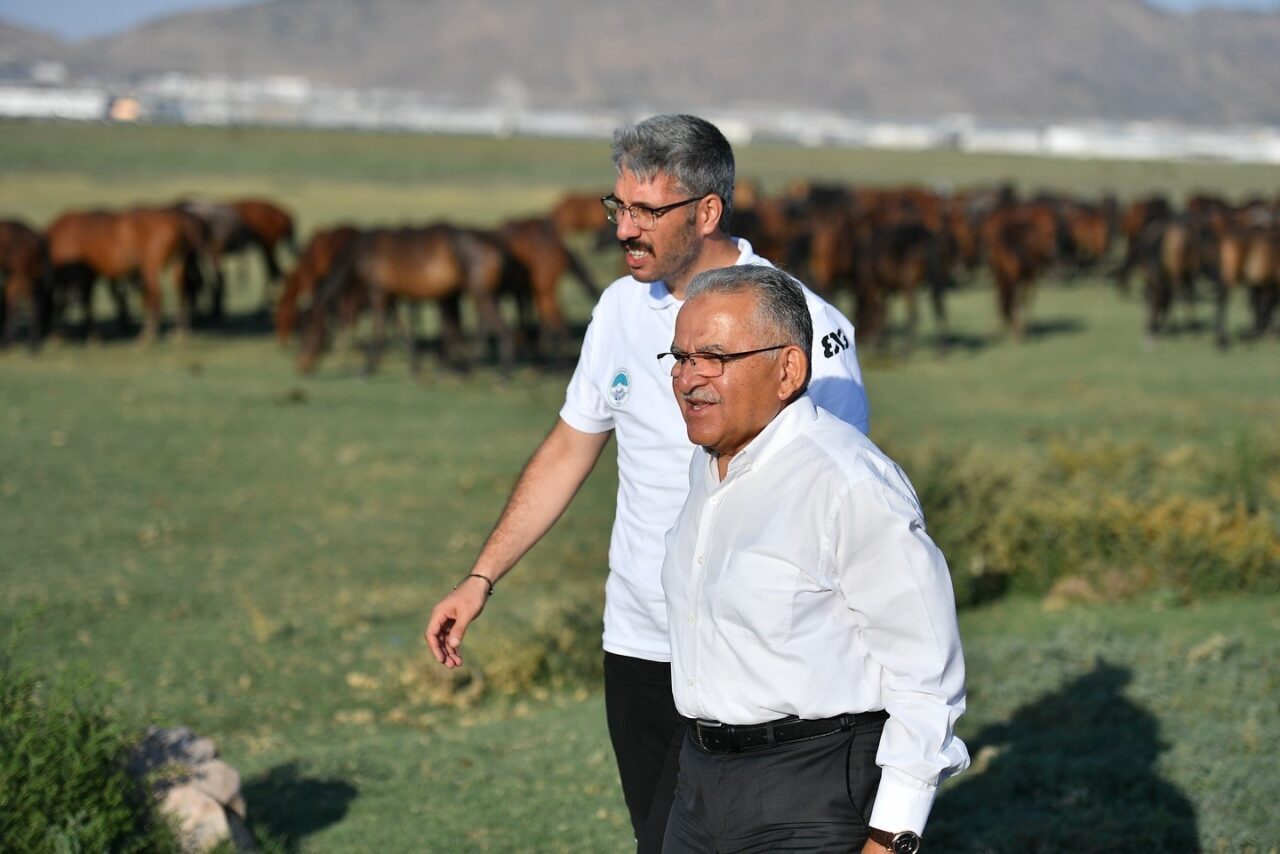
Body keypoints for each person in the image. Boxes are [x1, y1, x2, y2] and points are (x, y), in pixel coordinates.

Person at [424, 114, 871, 851]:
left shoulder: (806, 328)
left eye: (645, 212)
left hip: (750, 657)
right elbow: (571, 446)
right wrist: (482, 577)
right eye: (617, 208)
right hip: (636, 644)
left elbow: (842, 496)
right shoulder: (618, 310)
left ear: (707, 212)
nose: (624, 229)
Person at [658, 264, 968, 853]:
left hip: (812, 793)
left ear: (788, 369)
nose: (687, 379)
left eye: (714, 358)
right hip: (698, 786)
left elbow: (927, 677)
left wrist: (890, 835)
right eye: (679, 357)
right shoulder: (708, 468)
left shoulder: (849, 481)